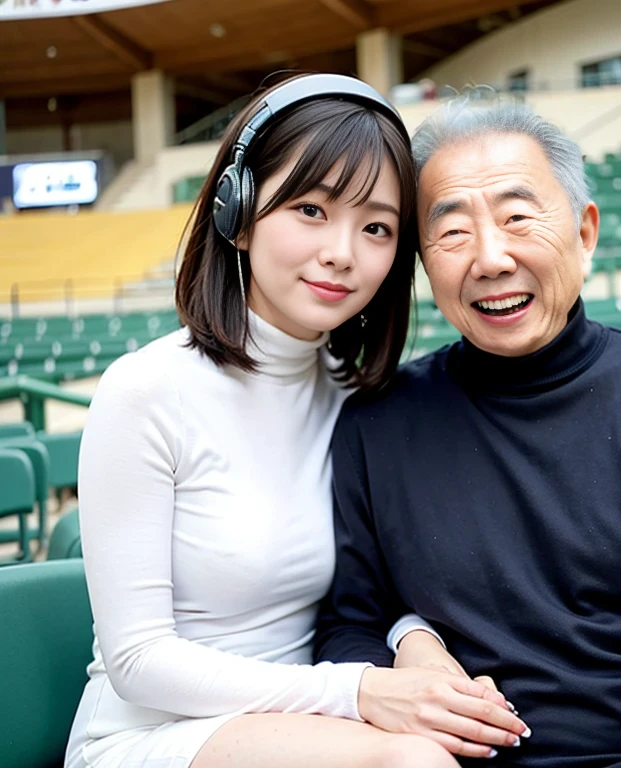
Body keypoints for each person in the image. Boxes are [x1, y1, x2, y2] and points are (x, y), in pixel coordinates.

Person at [64, 75, 528, 768]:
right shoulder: (145, 391)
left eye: (375, 228)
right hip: (151, 731)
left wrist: (412, 642)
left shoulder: (357, 398)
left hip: (311, 719)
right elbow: (138, 660)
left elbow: (366, 589)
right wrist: (363, 691)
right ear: (239, 212)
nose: (343, 251)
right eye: (311, 209)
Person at [315, 94, 621, 767]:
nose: (491, 259)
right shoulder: (375, 422)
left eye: (518, 218)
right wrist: (403, 659)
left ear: (585, 232)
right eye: (454, 232)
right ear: (423, 261)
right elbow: (349, 626)